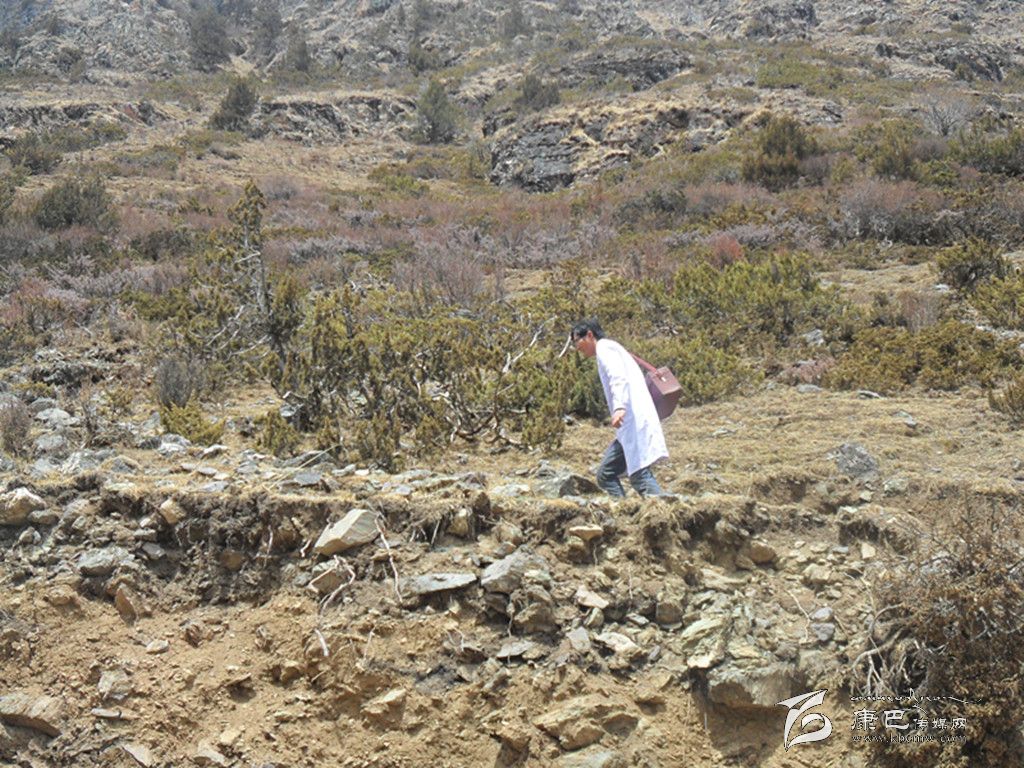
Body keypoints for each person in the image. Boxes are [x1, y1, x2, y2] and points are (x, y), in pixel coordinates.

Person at [571, 320, 667, 497]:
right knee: (606, 474)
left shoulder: (605, 349)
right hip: (629, 425)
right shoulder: (610, 349)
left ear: (590, 335)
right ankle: (623, 509)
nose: (576, 347)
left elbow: (618, 377)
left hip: (633, 420)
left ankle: (666, 509)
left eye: (577, 340)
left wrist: (619, 407)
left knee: (639, 475)